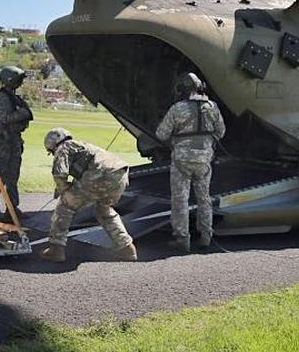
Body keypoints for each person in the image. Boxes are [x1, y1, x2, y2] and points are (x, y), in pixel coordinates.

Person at [39, 127, 137, 263]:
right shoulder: (82, 146)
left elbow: (59, 174)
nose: (53, 153)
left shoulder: (64, 147)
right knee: (104, 210)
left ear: (54, 144)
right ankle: (127, 248)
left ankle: (56, 249)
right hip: (120, 175)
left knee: (65, 207)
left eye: (51, 151)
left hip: (98, 175)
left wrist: (64, 189)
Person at [154, 72, 225, 253]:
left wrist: (176, 140)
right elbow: (221, 132)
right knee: (204, 198)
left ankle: (182, 239)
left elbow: (161, 134)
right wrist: (207, 143)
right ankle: (206, 236)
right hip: (204, 159)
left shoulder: (178, 108)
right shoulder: (212, 107)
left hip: (181, 160)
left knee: (180, 200)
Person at [0, 66, 32, 220]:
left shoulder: (13, 96)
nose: (20, 83)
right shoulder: (1, 97)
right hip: (4, 142)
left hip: (14, 140)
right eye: (18, 80)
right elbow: (5, 118)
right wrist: (23, 113)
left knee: (13, 176)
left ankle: (12, 208)